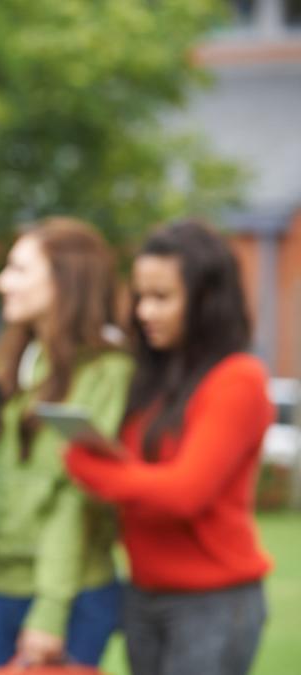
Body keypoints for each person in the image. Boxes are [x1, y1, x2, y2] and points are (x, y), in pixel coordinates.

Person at [65, 220, 272, 675]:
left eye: (162, 297)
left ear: (205, 302)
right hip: (143, 594)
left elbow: (185, 492)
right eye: (140, 296)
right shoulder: (153, 378)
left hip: (212, 602)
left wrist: (88, 465)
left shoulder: (237, 378)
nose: (144, 312)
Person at [0, 218, 133, 674]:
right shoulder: (10, 362)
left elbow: (74, 499)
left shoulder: (106, 372)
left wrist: (50, 610)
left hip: (71, 594)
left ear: (65, 279)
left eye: (19, 269)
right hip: (1, 584)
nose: (2, 282)